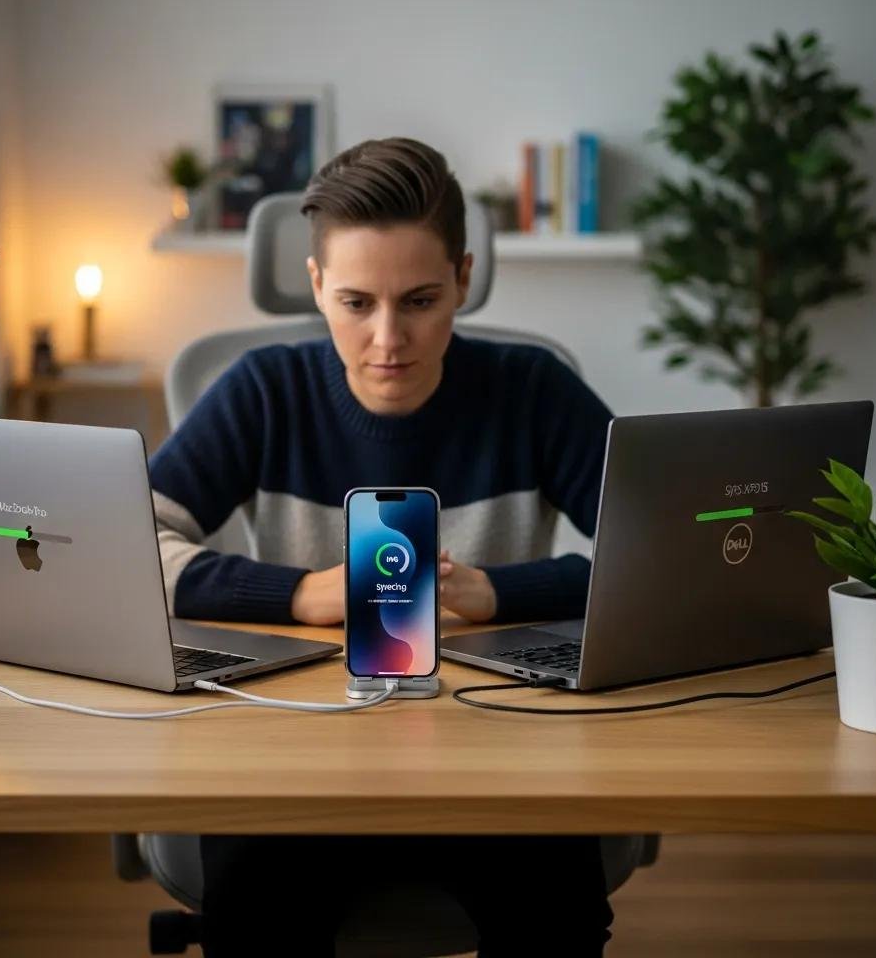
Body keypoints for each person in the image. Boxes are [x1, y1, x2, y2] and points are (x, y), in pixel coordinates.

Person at [149, 137, 615, 957]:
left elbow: (649, 558)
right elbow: (131, 544)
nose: (388, 339)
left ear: (465, 279)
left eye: (422, 300)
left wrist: (499, 593)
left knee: (559, 915)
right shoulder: (263, 391)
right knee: (255, 915)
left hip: (496, 756)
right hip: (299, 755)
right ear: (317, 284)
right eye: (357, 303)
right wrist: (299, 596)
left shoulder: (533, 391)